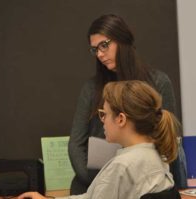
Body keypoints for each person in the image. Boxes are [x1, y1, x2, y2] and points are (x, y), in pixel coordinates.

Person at [68, 14, 187, 194]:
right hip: (95, 183)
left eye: (104, 45)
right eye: (95, 49)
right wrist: (103, 182)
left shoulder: (158, 82)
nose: (99, 54)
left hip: (143, 183)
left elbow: (169, 138)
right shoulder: (92, 88)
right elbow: (75, 144)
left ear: (122, 41)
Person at [18, 80, 179, 199]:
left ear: (121, 119)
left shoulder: (122, 166)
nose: (102, 120)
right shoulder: (158, 156)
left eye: (104, 114)